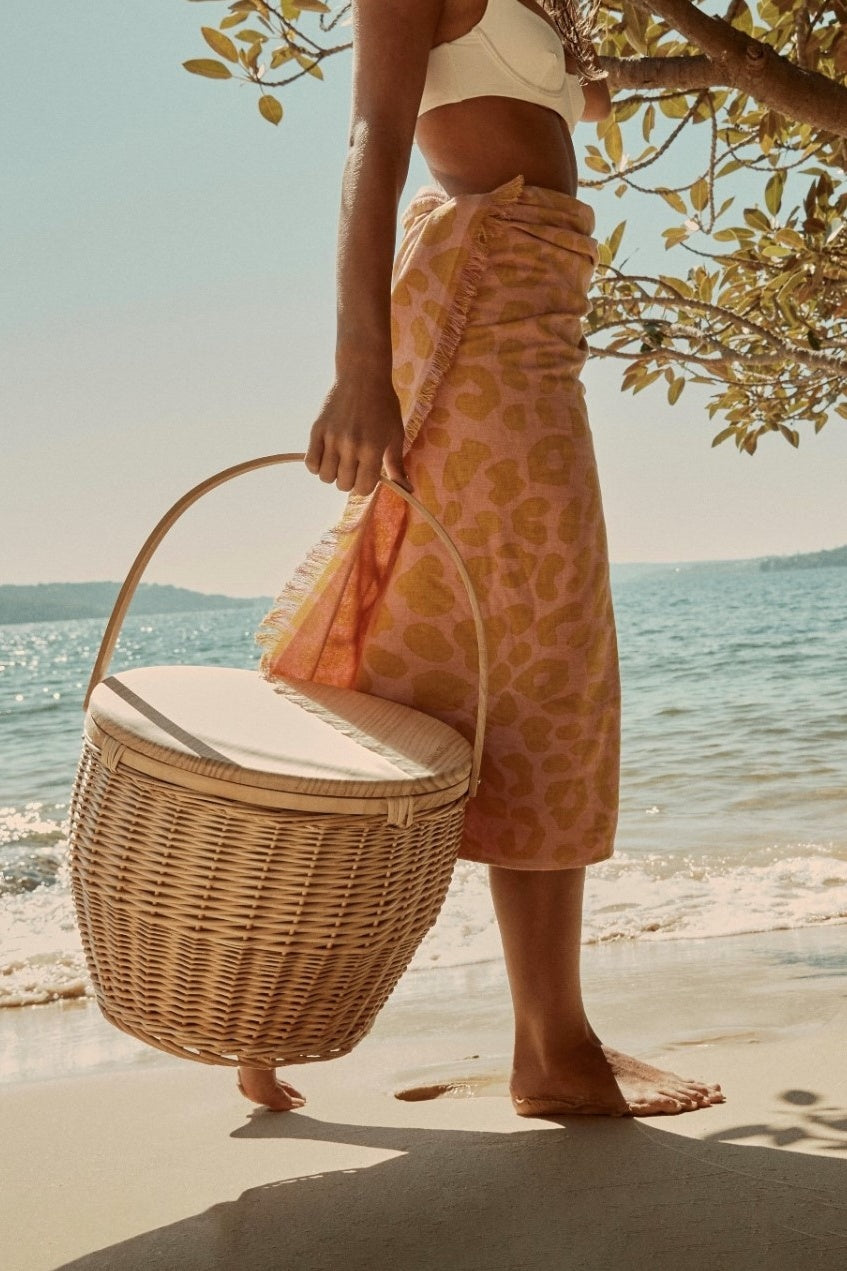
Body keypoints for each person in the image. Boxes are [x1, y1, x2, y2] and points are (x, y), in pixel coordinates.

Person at [239, 0, 724, 1117]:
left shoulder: (547, 8)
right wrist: (360, 362)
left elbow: (575, 97)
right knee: (520, 664)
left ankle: (531, 1039)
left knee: (490, 661)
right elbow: (373, 132)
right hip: (480, 305)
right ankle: (547, 1048)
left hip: (528, 314)